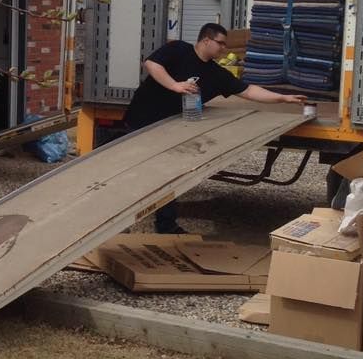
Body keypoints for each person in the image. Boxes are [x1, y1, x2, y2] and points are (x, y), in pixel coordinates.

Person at [124, 22, 306, 234]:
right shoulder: (178, 49)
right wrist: (176, 85)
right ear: (206, 40)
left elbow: (248, 91)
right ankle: (117, 224)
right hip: (142, 122)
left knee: (168, 176)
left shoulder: (216, 74)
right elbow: (152, 64)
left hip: (171, 130)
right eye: (220, 44)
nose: (223, 49)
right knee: (132, 175)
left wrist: (282, 98)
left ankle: (166, 225)